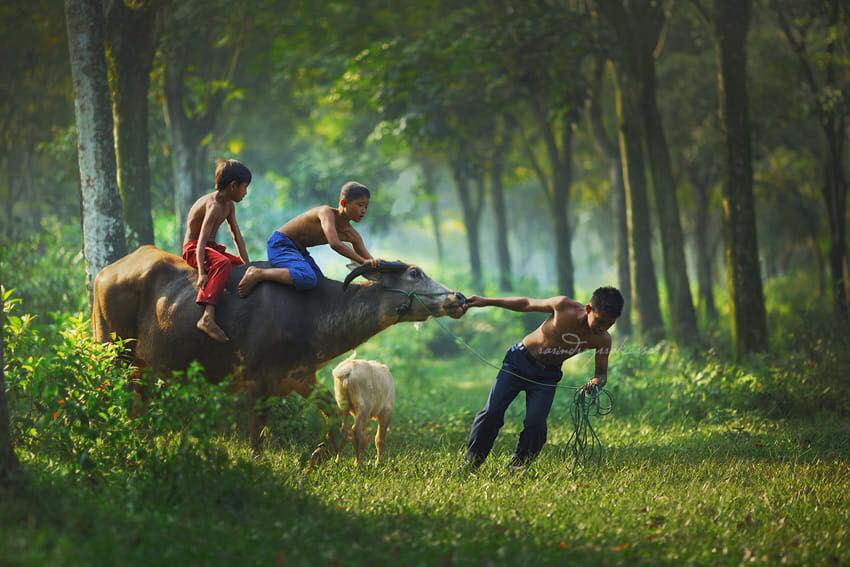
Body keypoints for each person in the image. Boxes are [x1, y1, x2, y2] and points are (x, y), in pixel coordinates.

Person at [461, 286, 624, 469]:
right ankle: (472, 461)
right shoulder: (563, 307)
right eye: (600, 320)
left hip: (547, 376)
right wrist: (486, 301)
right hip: (518, 361)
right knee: (492, 413)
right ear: (588, 309)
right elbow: (526, 304)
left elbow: (601, 374)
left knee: (536, 423)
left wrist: (595, 383)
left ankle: (518, 466)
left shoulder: (603, 340)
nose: (603, 327)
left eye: (609, 324)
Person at [237, 181, 380, 296]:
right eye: (360, 205)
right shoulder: (326, 213)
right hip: (280, 244)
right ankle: (259, 273)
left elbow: (369, 260)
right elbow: (335, 244)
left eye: (366, 206)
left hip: (299, 251)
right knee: (307, 278)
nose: (363, 210)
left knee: (320, 284)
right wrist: (363, 261)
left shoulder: (351, 234)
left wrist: (378, 267)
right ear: (343, 203)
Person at [182, 159, 251, 343]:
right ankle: (207, 316)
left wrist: (247, 264)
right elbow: (201, 241)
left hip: (209, 248)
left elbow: (237, 235)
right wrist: (202, 273)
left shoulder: (229, 205)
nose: (246, 192)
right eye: (244, 187)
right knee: (222, 263)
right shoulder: (213, 206)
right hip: (194, 248)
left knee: (237, 265)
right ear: (233, 186)